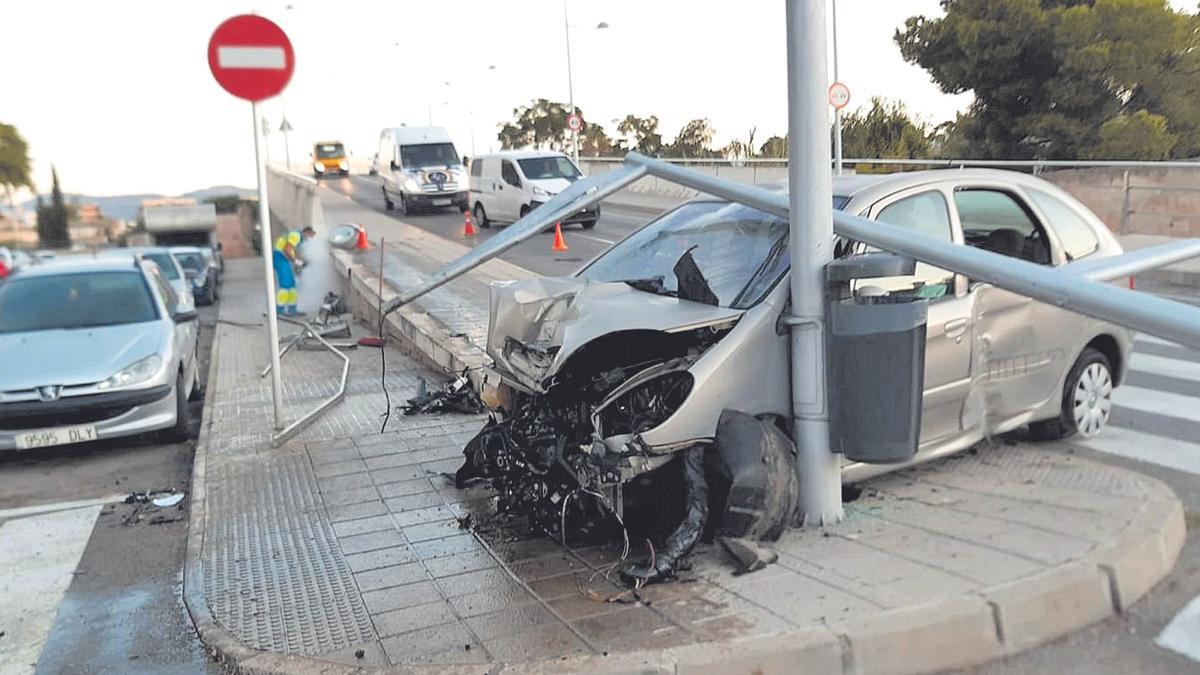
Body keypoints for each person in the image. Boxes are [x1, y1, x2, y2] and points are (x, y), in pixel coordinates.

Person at [272, 226, 315, 315]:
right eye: (310, 236)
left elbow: (291, 251)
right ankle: (279, 309)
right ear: (306, 232)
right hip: (280, 258)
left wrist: (296, 264)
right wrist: (295, 261)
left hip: (283, 259)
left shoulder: (298, 238)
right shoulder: (296, 236)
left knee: (292, 285)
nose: (309, 239)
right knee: (286, 284)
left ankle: (292, 309)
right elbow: (287, 249)